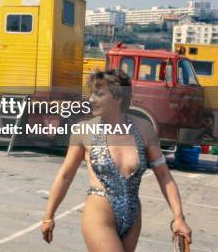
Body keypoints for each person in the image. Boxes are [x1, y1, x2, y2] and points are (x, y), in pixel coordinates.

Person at [41, 69, 192, 251]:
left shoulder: (144, 129)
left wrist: (179, 218)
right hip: (99, 215)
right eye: (91, 94)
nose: (91, 100)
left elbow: (164, 176)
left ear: (119, 97)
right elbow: (65, 175)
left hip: (133, 218)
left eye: (99, 94)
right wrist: (48, 216)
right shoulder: (84, 130)